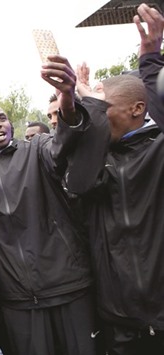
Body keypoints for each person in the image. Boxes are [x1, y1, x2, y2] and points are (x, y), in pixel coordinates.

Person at [0, 54, 98, 355]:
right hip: (18, 297)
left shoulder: (37, 149)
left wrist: (68, 98)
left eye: (1, 118)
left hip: (67, 285)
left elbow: (64, 141)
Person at [64, 4, 164, 354]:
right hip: (119, 321)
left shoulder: (158, 148)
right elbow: (78, 185)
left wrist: (151, 60)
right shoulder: (97, 158)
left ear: (138, 109)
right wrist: (90, 106)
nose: (98, 118)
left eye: (104, 109)